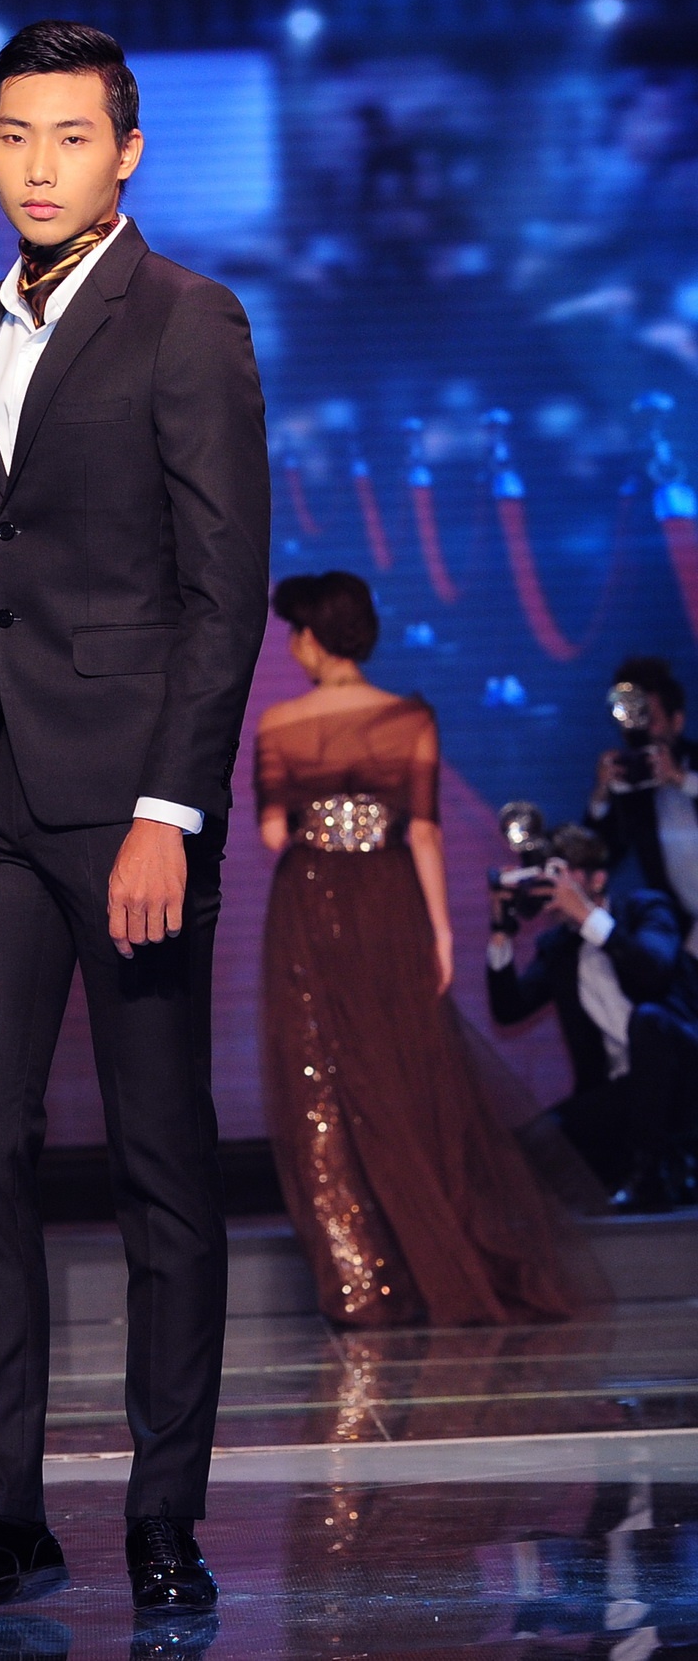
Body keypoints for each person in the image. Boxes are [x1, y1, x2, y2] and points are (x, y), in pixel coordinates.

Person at [0, 22, 270, 1620]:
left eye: (73, 137)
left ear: (128, 151)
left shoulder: (188, 319)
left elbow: (224, 593)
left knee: (160, 1159)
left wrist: (172, 809)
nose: (42, 167)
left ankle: (165, 1518)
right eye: (16, 136)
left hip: (131, 806)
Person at [255, 570, 573, 1330]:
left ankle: (361, 1284)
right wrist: (442, 932)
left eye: (296, 632)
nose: (292, 646)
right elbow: (424, 833)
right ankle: (438, 1257)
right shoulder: (410, 718)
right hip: (391, 902)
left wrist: (323, 816)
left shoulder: (279, 723)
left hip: (309, 904)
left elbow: (272, 835)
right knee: (407, 1076)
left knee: (319, 1084)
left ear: (313, 636)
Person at [487, 823, 698, 1213]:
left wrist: (585, 914)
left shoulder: (646, 909)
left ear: (597, 879)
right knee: (532, 1146)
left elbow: (652, 970)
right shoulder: (559, 947)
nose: (554, 885)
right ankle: (625, 1175)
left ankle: (650, 1177)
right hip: (623, 1090)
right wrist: (501, 930)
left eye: (561, 873)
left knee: (649, 1019)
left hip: (682, 1077)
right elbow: (509, 1009)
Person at [588, 655, 698, 947]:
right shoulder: (631, 788)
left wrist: (681, 779)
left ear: (677, 721)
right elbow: (599, 857)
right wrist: (602, 796)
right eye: (633, 719)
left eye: (650, 718)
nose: (642, 729)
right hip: (687, 937)